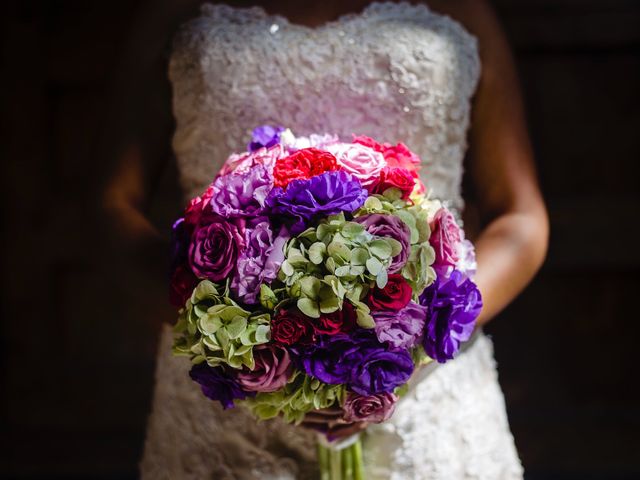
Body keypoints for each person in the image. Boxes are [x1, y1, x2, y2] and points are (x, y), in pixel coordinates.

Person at [102, 1, 549, 478]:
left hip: (428, 393)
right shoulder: (172, 10)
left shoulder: (462, 8)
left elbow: (520, 217)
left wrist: (418, 339)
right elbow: (110, 207)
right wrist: (228, 335)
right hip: (224, 396)